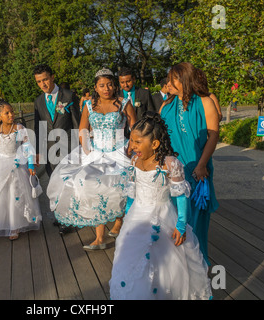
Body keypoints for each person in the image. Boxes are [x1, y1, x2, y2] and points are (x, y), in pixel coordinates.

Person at [109, 114, 212, 300]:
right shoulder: (134, 161)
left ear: (155, 144)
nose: (132, 146)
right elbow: (132, 192)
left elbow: (181, 196)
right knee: (130, 258)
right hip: (136, 217)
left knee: (163, 263)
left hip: (162, 216)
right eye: (131, 141)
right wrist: (127, 217)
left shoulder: (170, 164)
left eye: (138, 142)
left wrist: (181, 224)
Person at [47, 67, 137, 250]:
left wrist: (132, 148)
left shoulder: (125, 102)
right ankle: (99, 237)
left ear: (115, 86)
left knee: (120, 185)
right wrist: (87, 150)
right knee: (89, 183)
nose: (107, 89)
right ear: (95, 87)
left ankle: (119, 221)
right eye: (102, 85)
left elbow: (135, 129)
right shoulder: (89, 105)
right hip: (95, 151)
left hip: (120, 151)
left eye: (110, 84)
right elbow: (83, 130)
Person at [159, 62, 219, 265]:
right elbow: (159, 137)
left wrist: (201, 165)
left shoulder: (205, 101)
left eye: (174, 78)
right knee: (174, 219)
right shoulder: (166, 105)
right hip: (172, 172)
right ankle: (177, 269)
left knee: (196, 221)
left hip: (197, 169)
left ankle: (198, 266)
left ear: (185, 79)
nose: (169, 82)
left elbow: (213, 136)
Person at [0, 99, 42, 240]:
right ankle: (0, 222)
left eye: (12, 112)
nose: (11, 115)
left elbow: (27, 146)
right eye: (7, 113)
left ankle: (14, 226)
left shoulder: (19, 128)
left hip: (16, 163)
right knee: (0, 193)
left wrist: (30, 165)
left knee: (14, 192)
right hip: (1, 163)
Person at [33, 64, 80, 234]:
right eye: (39, 81)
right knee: (54, 182)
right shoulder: (38, 101)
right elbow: (39, 128)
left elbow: (76, 122)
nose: (43, 84)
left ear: (52, 77)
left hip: (68, 147)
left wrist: (78, 148)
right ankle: (60, 215)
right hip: (49, 149)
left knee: (67, 184)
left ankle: (67, 220)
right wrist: (38, 150)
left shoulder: (69, 95)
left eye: (45, 79)